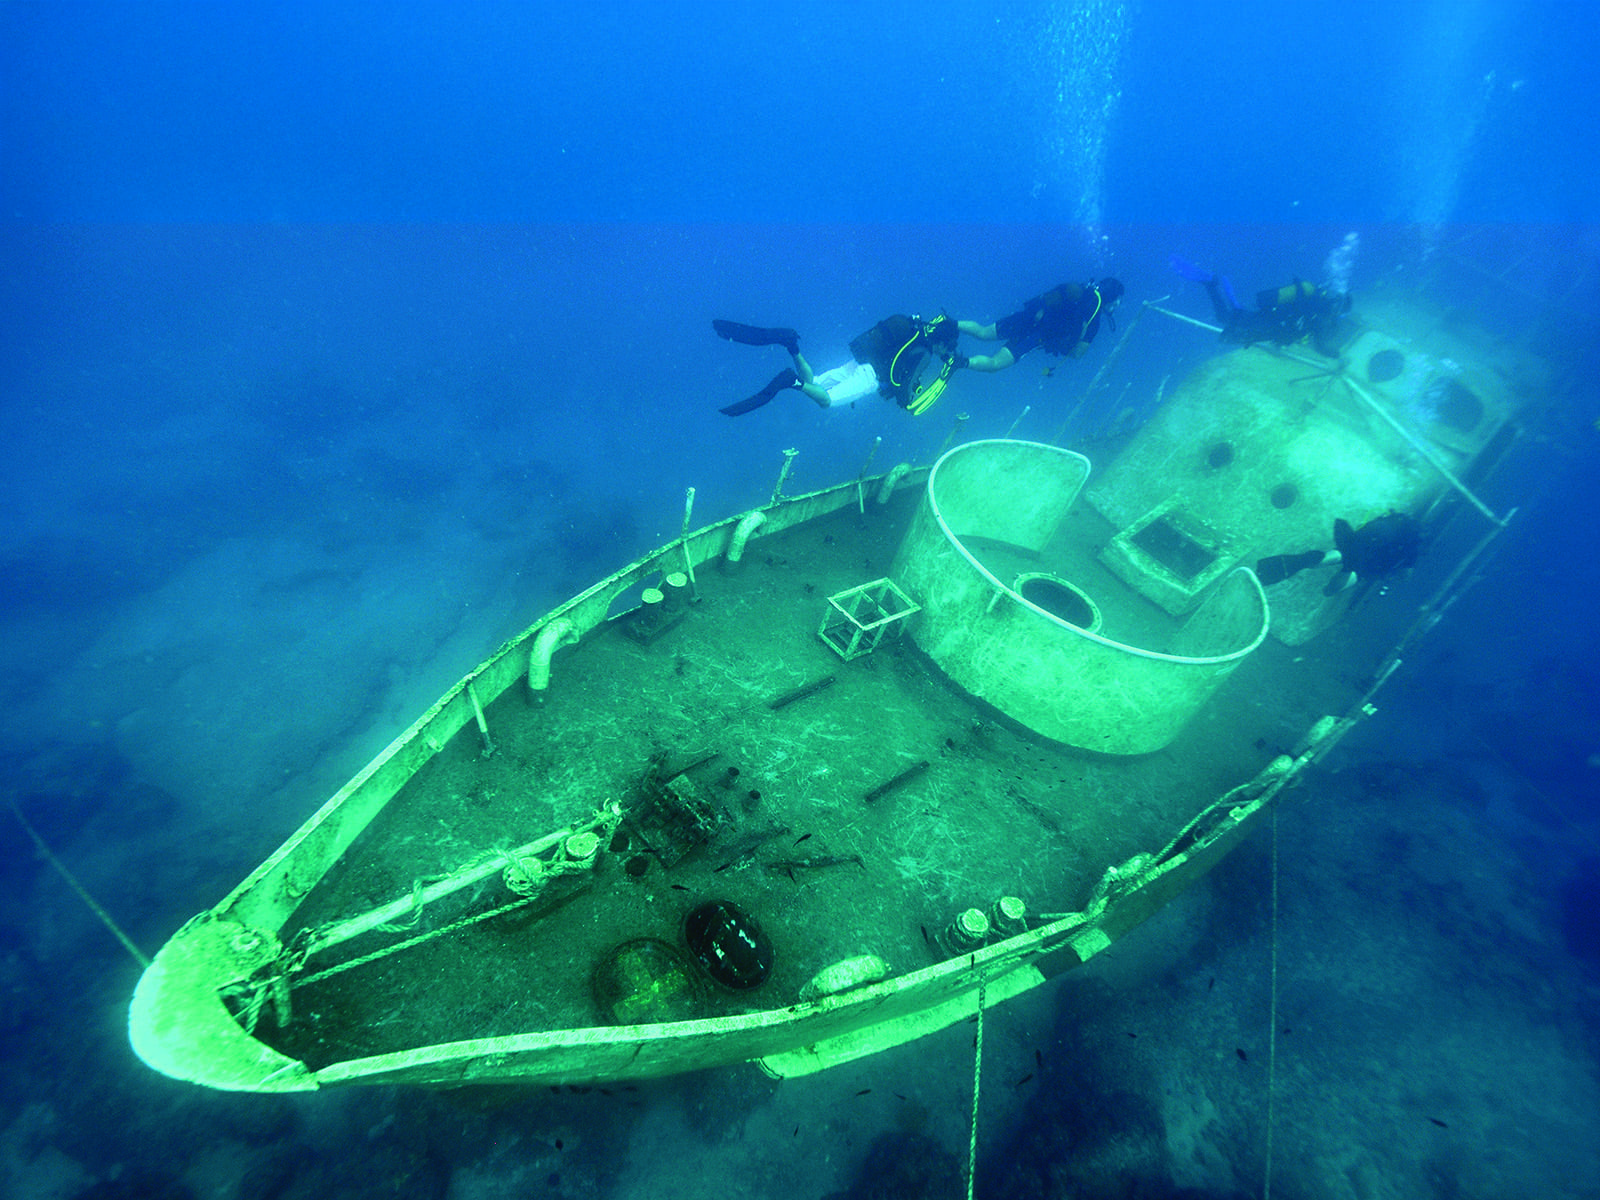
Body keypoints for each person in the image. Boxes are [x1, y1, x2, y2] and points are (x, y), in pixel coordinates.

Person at [712, 313, 961, 416]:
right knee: (826, 401)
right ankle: (791, 381)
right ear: (942, 342)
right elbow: (908, 401)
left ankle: (791, 346)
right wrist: (942, 377)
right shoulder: (926, 353)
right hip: (870, 378)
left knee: (816, 382)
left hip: (860, 362)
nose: (944, 353)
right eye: (946, 348)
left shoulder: (914, 326)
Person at [1170, 256, 1352, 357]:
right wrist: (1339, 357)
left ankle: (1213, 284)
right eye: (1340, 314)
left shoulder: (1316, 306)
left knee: (1234, 316)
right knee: (1227, 318)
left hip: (1270, 319)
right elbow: (1321, 347)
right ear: (1338, 309)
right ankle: (1210, 283)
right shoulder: (1319, 316)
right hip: (1269, 323)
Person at [955, 279, 1124, 373]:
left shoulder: (1078, 290)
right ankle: (960, 362)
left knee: (983, 332)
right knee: (995, 363)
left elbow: (1052, 295)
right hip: (1037, 337)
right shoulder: (1094, 320)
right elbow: (1078, 353)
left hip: (1026, 318)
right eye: (1117, 301)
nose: (1116, 306)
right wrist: (1059, 345)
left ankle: (946, 323)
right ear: (1111, 298)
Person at [1255, 510, 1421, 597]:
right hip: (1371, 553)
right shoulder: (1408, 551)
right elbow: (1404, 571)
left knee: (1345, 552)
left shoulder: (1402, 531)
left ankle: (1304, 561)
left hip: (1365, 537)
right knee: (1334, 587)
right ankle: (1344, 565)